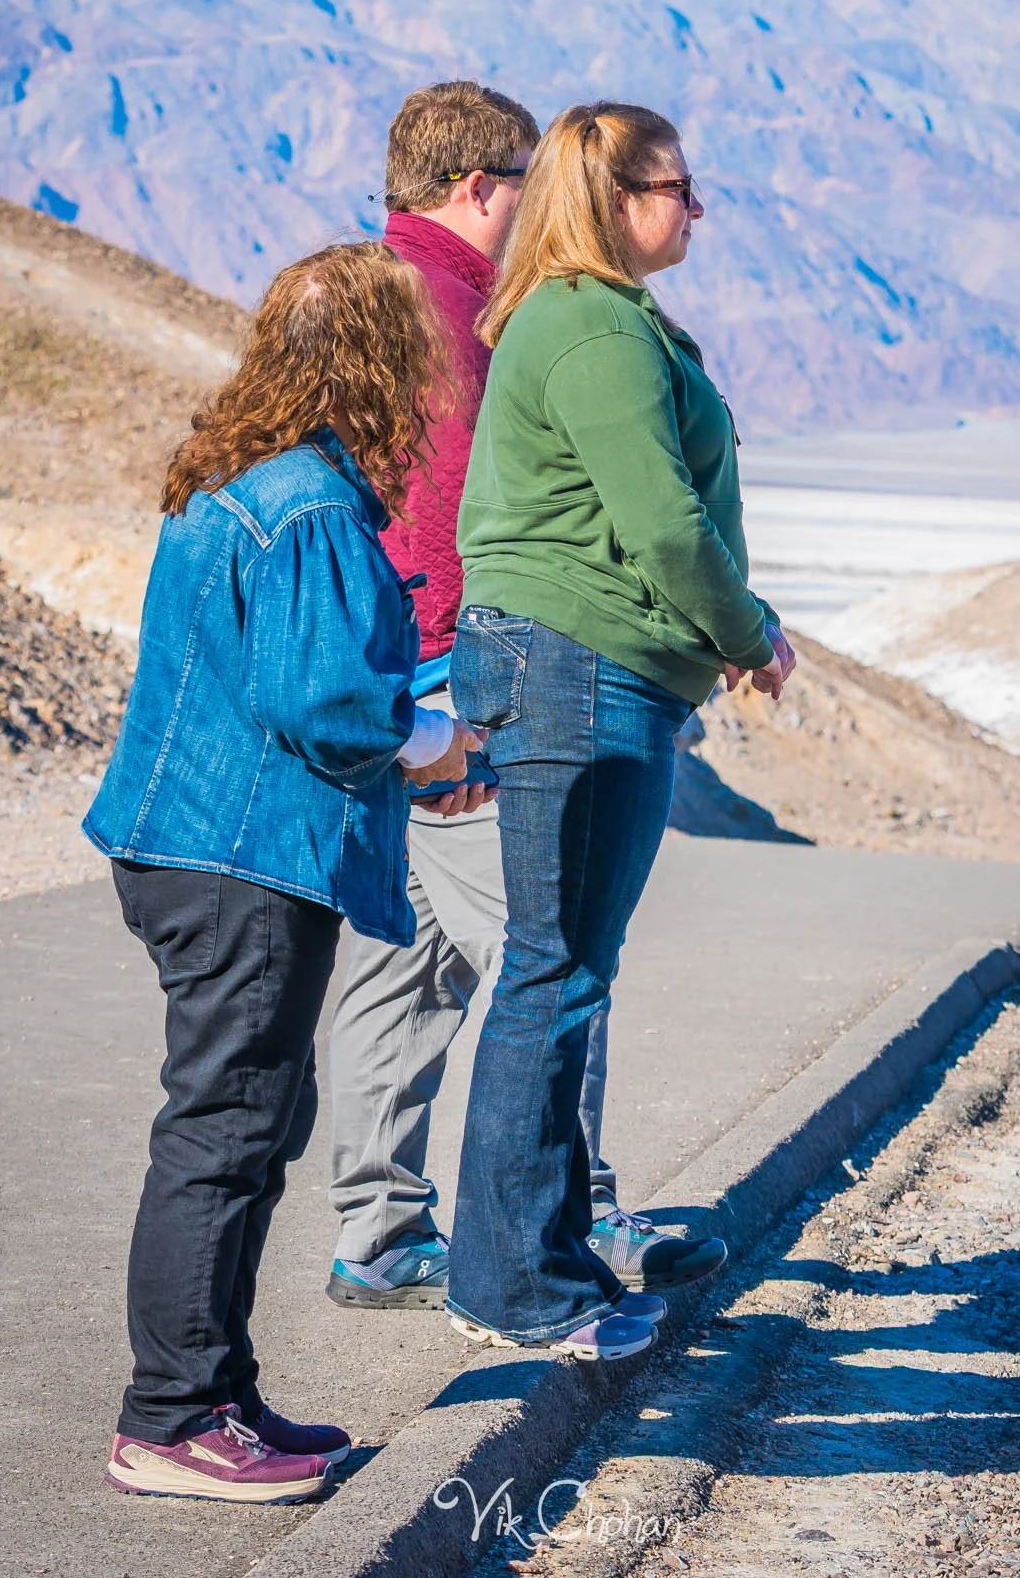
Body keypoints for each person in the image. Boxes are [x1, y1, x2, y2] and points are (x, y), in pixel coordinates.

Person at [83, 242, 481, 1504]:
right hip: (243, 858)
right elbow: (323, 704)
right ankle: (172, 1413)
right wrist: (434, 736)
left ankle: (219, 1390)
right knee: (224, 1129)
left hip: (195, 846)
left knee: (248, 1124)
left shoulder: (237, 480)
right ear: (375, 359)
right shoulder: (308, 503)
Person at [327, 82, 724, 1307]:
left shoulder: (357, 289)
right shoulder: (458, 312)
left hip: (377, 671)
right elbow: (452, 511)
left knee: (412, 952)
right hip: (455, 671)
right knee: (550, 957)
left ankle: (380, 1227)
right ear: (483, 187)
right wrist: (467, 668)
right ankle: (565, 1222)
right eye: (525, 176)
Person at [445, 102, 796, 1361]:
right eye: (678, 187)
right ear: (613, 197)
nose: (695, 208)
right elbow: (658, 523)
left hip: (589, 667)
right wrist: (750, 630)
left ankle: (543, 1257)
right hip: (575, 671)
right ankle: (511, 1285)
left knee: (561, 966)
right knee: (552, 970)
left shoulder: (605, 315)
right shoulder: (592, 324)